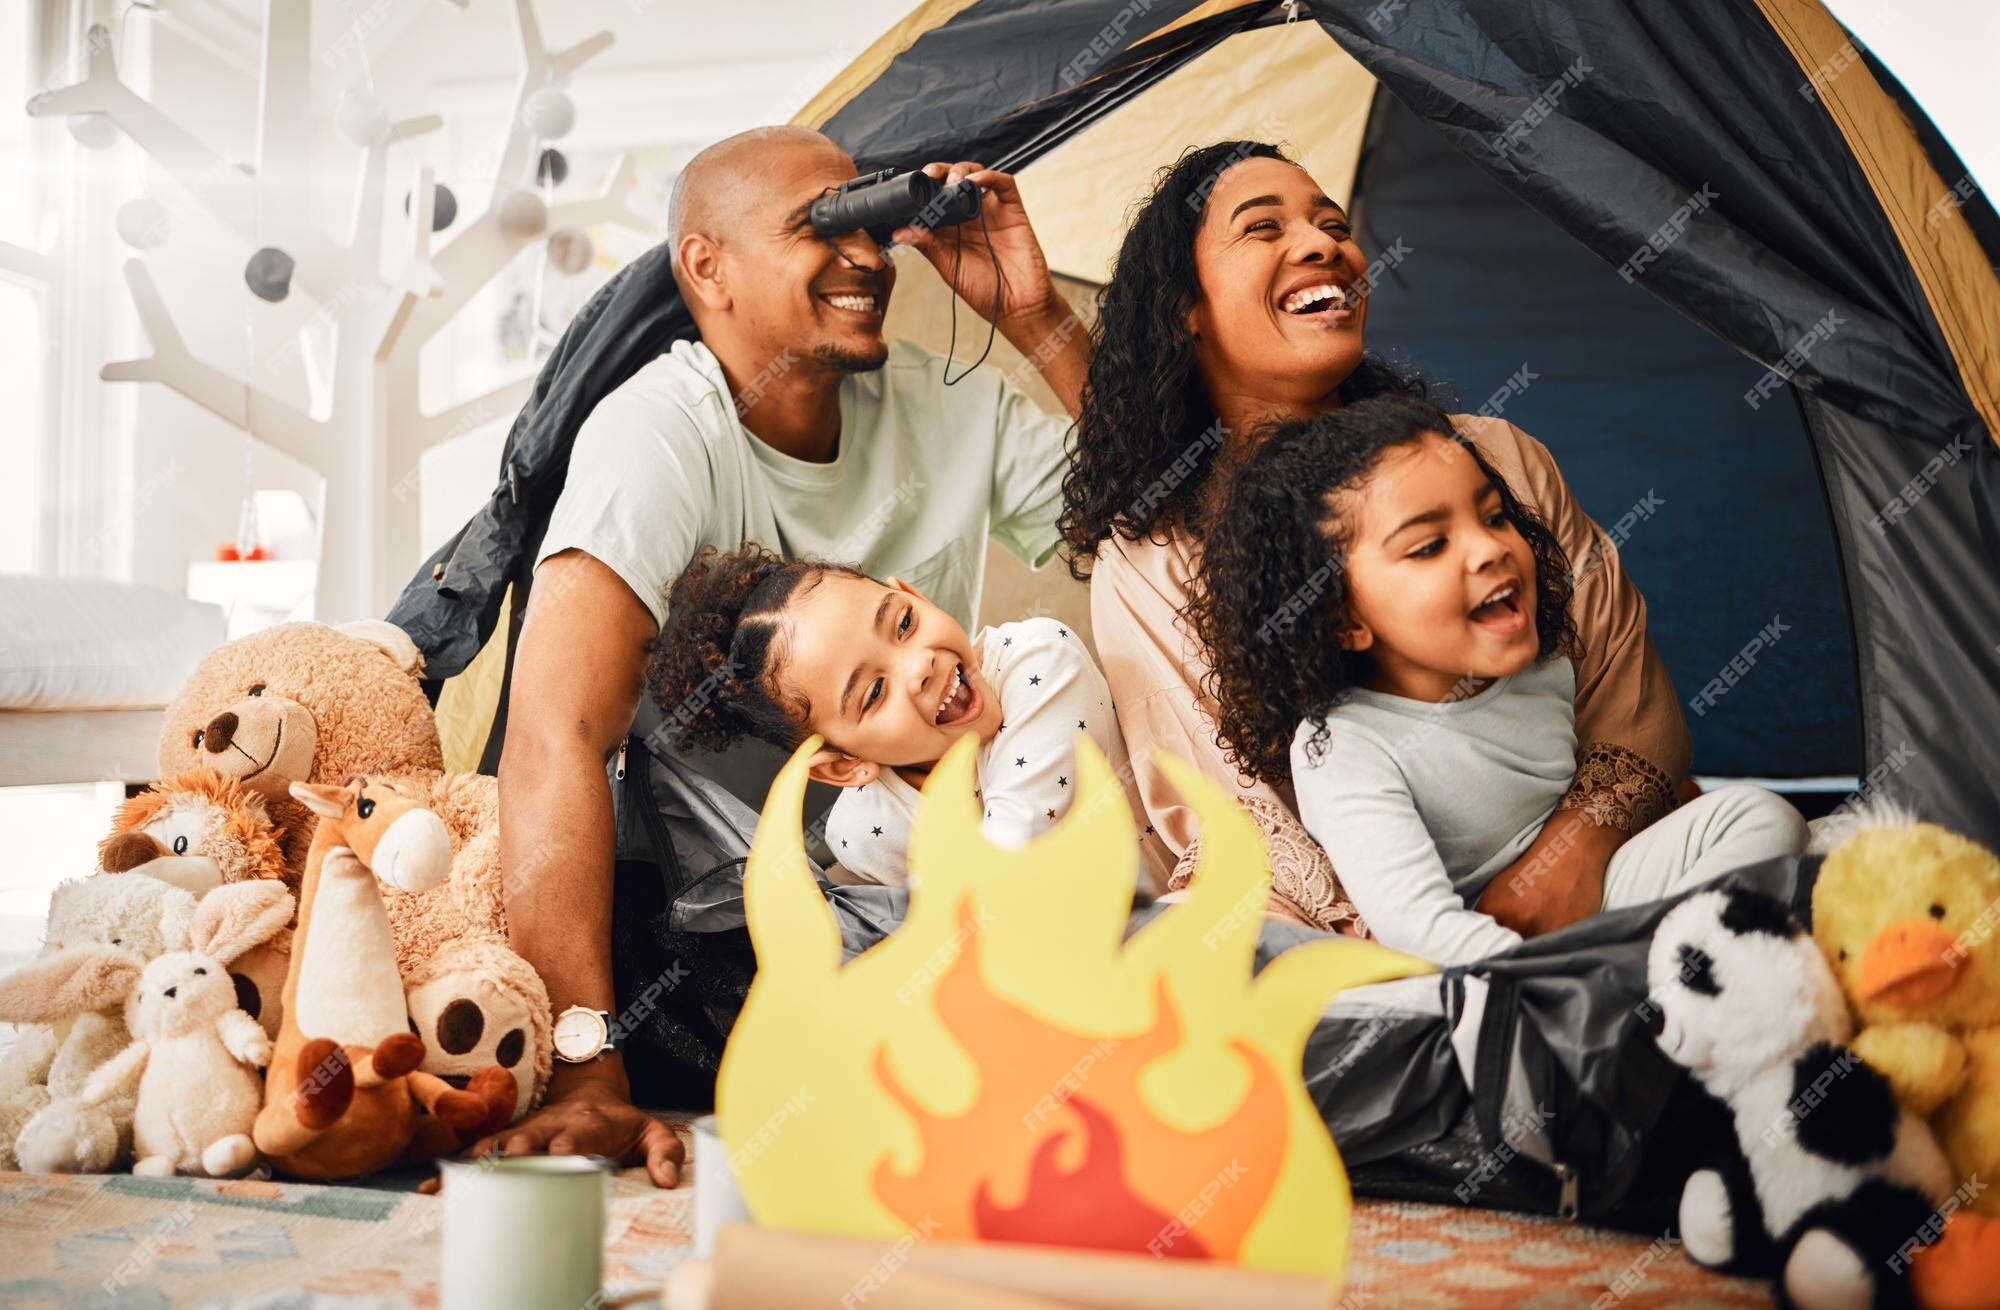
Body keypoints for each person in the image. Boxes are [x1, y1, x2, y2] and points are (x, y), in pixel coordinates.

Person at [480, 126, 1089, 1185]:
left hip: (957, 867)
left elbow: (1171, 529)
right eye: (821, 228)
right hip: (739, 934)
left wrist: (1034, 320)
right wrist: (583, 1068)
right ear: (704, 268)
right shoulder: (660, 434)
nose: (866, 255)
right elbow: (552, 737)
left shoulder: (944, 398)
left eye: (871, 221)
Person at [1063, 140, 1693, 936]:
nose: (1325, 243)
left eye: (1332, 223)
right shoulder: (1152, 564)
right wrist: (1437, 950)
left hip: (1613, 889)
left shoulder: (1493, 457)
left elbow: (1632, 701)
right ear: (1184, 307)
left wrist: (1569, 857)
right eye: (1264, 229)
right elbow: (1244, 826)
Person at [1191, 396, 1806, 965]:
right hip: (1485, 955)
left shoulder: (1543, 670)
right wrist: (1531, 976)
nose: (1488, 549)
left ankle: (1658, 975)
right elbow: (1421, 930)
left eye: (1492, 516)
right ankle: (1622, 987)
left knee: (1761, 816)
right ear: (1342, 618)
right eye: (1430, 546)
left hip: (1600, 900)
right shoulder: (1345, 748)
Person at [647, 544, 1172, 889]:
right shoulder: (865, 832)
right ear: (841, 766)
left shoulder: (1040, 664)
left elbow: (1004, 871)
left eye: (903, 623)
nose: (919, 665)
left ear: (913, 595)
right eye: (874, 693)